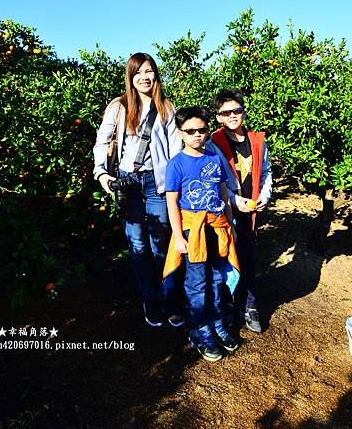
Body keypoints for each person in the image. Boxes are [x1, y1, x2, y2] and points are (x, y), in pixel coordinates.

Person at [93, 52, 183, 328]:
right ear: (130, 77)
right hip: (127, 182)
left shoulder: (166, 107)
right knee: (138, 243)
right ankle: (150, 300)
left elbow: (176, 149)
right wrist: (102, 174)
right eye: (138, 73)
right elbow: (102, 142)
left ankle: (169, 299)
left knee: (161, 242)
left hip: (157, 184)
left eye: (149, 71)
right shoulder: (119, 107)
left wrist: (175, 185)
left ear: (156, 74)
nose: (144, 77)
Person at [163, 106, 241, 362]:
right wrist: (178, 237)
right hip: (192, 230)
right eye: (191, 131)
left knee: (217, 278)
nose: (197, 135)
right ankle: (199, 330)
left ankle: (217, 324)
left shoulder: (213, 158)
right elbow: (172, 203)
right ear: (181, 133)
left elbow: (222, 194)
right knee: (196, 283)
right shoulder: (176, 164)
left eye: (202, 130)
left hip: (216, 227)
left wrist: (230, 226)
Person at [206, 88, 272, 333]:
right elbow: (214, 182)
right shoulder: (214, 144)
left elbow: (266, 173)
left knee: (249, 258)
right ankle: (229, 305)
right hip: (227, 213)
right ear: (218, 117)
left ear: (243, 112)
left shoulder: (257, 141)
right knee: (227, 259)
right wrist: (234, 201)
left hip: (252, 213)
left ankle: (250, 305)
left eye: (237, 110)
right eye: (226, 112)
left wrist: (264, 196)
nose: (233, 115)